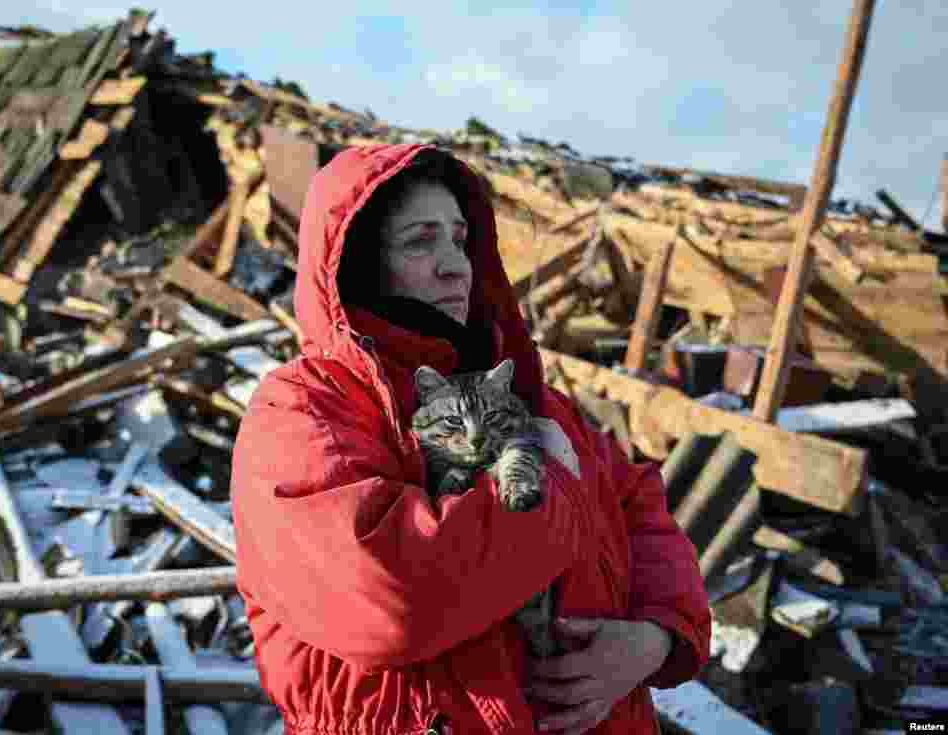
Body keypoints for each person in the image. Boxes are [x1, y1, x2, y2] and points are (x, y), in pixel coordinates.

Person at [232, 144, 711, 735]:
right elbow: (393, 598)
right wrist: (545, 480)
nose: (455, 265)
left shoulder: (534, 401)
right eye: (419, 241)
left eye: (460, 240)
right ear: (357, 263)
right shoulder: (306, 411)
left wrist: (653, 638)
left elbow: (642, 507)